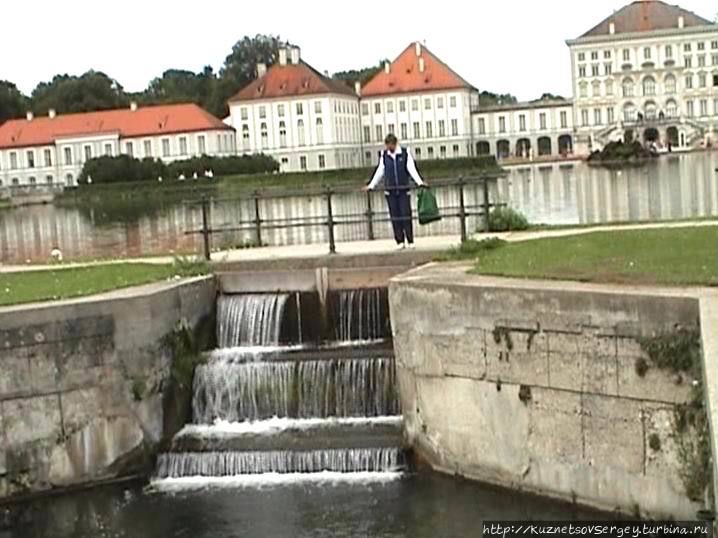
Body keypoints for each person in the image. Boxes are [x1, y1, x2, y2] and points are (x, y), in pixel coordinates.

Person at [364, 134, 427, 249]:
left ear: (395, 143)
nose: (389, 148)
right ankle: (399, 241)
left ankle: (410, 240)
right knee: (395, 217)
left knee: (405, 215)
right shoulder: (384, 156)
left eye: (391, 145)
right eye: (387, 145)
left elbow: (411, 169)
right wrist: (371, 185)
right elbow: (380, 171)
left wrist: (419, 182)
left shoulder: (404, 153)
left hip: (403, 190)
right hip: (391, 191)